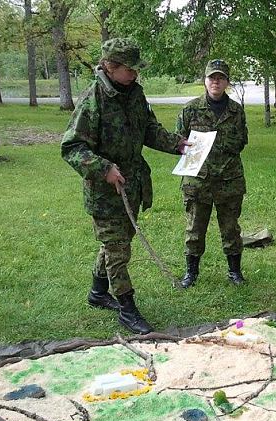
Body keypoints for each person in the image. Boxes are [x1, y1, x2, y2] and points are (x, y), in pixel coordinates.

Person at [61, 38, 188, 334]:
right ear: (110, 66)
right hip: (106, 192)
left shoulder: (134, 93)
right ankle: (127, 309)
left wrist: (177, 144)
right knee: (118, 250)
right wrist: (103, 168)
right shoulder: (93, 99)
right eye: (130, 69)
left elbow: (149, 129)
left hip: (132, 186)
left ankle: (97, 293)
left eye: (136, 69)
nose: (135, 74)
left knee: (115, 244)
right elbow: (72, 147)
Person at [175, 59, 249, 288]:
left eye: (220, 78)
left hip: (229, 179)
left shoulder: (236, 111)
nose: (215, 81)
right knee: (195, 229)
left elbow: (242, 140)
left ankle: (235, 272)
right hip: (198, 180)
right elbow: (179, 141)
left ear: (227, 81)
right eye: (211, 77)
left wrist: (216, 142)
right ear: (205, 80)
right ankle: (191, 273)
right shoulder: (190, 109)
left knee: (231, 228)